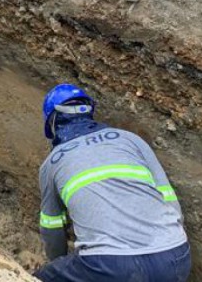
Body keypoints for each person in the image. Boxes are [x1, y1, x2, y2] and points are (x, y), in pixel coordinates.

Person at [34, 84, 191, 282]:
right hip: (175, 257)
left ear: (52, 122)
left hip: (110, 266)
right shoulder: (132, 140)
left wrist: (60, 264)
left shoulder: (53, 162)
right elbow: (169, 199)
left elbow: (51, 228)